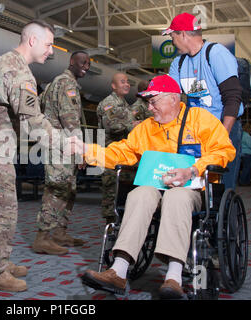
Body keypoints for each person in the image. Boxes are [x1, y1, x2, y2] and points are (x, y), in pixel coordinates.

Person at [70, 75, 235, 299]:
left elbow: (224, 150)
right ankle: (118, 270)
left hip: (193, 189)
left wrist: (193, 169)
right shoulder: (146, 128)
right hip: (155, 186)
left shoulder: (200, 120)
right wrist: (87, 150)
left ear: (173, 99)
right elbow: (120, 152)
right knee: (140, 194)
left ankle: (174, 277)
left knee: (176, 197)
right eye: (148, 101)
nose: (149, 107)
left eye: (153, 101)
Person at [0, 20, 67, 292]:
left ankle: (0, 261)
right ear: (32, 41)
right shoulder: (18, 72)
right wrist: (69, 144)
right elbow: (33, 123)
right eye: (48, 44)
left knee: (5, 208)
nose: (51, 52)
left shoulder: (7, 63)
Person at [166, 12, 243, 190]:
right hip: (196, 132)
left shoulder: (216, 54)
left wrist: (223, 135)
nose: (172, 41)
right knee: (195, 183)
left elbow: (233, 96)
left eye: (172, 36)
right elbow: (170, 98)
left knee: (221, 186)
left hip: (223, 126)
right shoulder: (178, 63)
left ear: (183, 34)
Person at [33, 51, 91, 255]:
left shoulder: (53, 84)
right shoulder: (67, 83)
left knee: (68, 189)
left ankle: (59, 232)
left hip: (58, 145)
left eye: (89, 63)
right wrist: (80, 151)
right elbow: (70, 120)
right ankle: (43, 238)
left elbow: (39, 106)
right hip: (62, 147)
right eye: (83, 62)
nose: (87, 66)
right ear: (71, 62)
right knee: (57, 190)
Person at [96, 72, 135, 225]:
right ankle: (110, 226)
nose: (126, 84)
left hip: (125, 155)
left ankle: (122, 224)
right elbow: (112, 127)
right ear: (113, 86)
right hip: (111, 155)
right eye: (122, 82)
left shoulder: (125, 104)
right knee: (111, 192)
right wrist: (132, 125)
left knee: (124, 191)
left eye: (128, 82)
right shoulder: (109, 103)